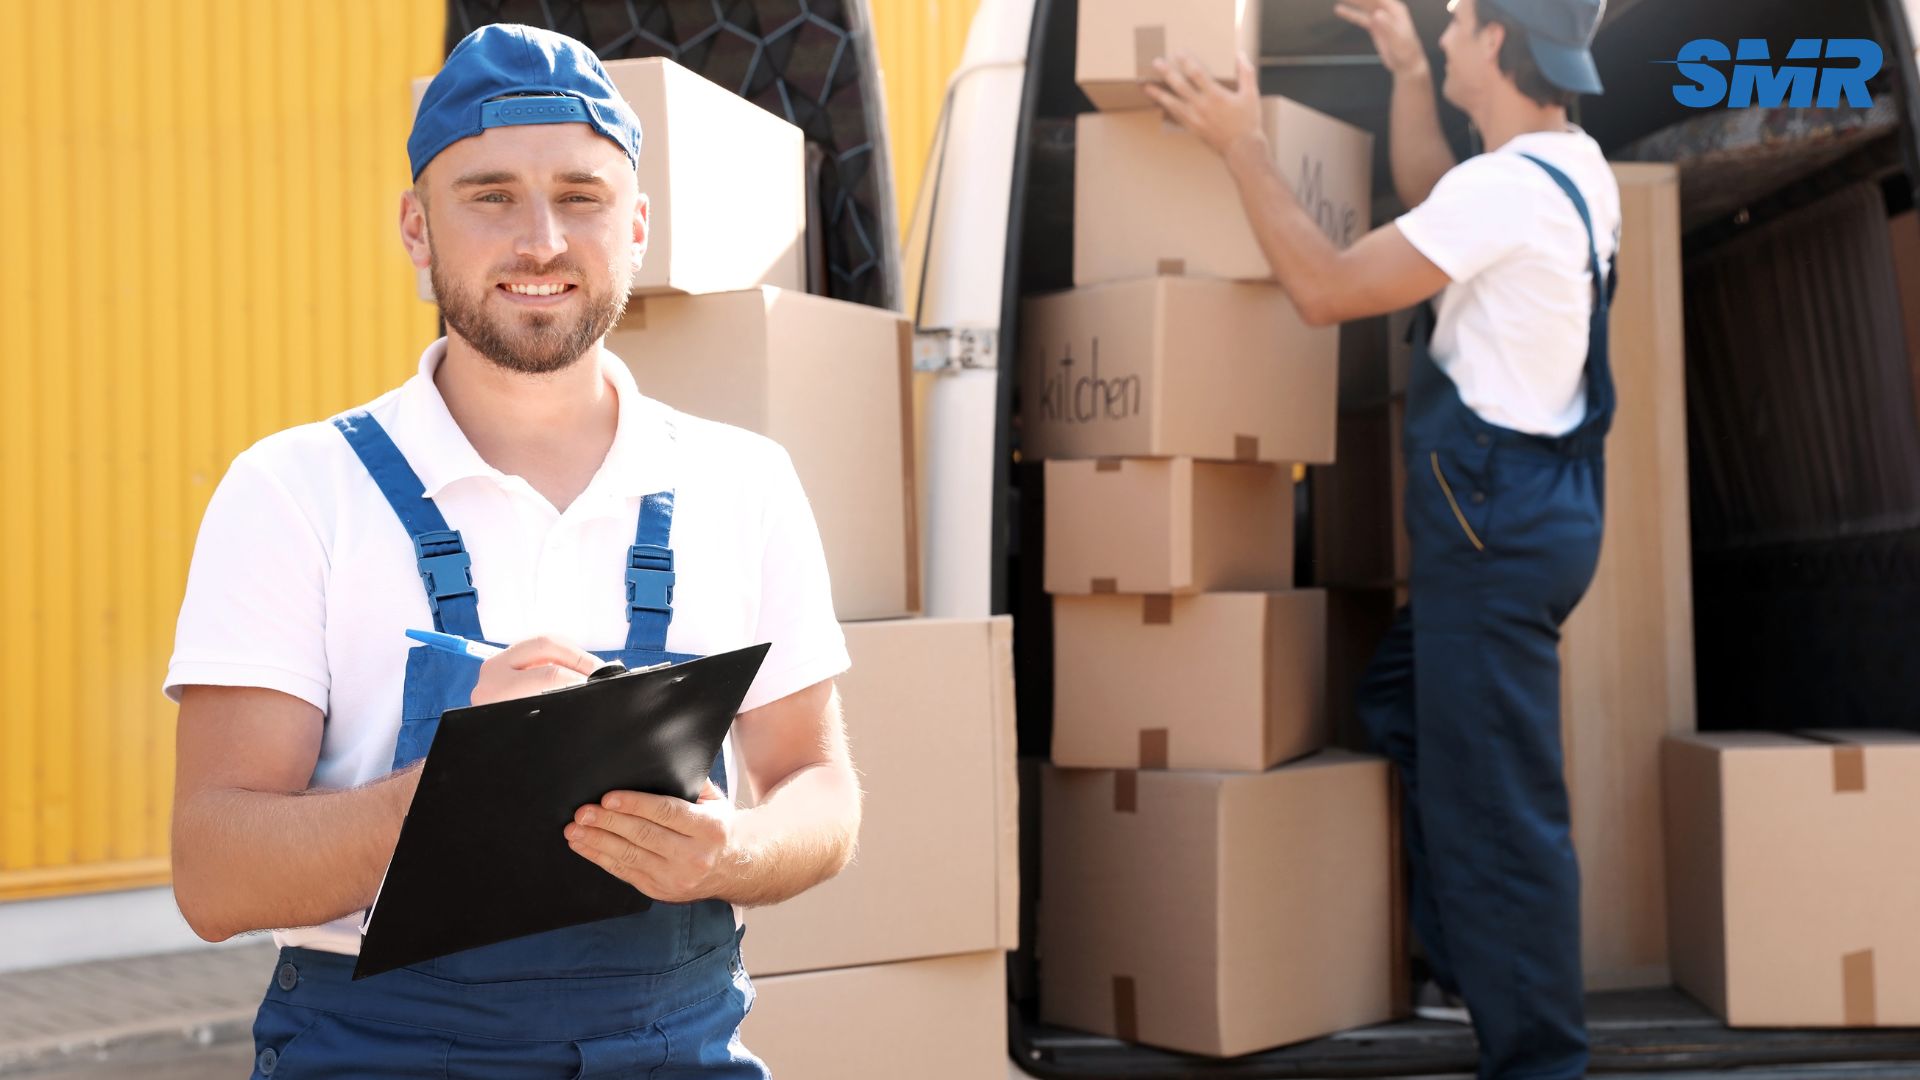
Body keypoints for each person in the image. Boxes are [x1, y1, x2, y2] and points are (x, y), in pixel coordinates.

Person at [165, 24, 860, 1077]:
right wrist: (462, 787)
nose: (540, 239)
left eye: (580, 196)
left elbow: (819, 786)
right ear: (416, 229)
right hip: (384, 1053)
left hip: (674, 1045)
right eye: (489, 195)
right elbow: (216, 877)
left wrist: (736, 852)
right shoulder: (294, 493)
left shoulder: (744, 481)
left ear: (635, 227)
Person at [1148, 1, 1617, 1076]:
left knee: (1503, 819)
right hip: (1540, 517)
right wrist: (1407, 72)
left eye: (1452, 23)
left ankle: (1539, 1059)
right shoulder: (1565, 164)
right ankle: (1467, 966)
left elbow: (1322, 290)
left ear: (1498, 40)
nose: (1444, 30)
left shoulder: (1506, 191)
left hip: (1492, 539)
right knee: (1402, 705)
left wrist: (1242, 146)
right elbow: (1435, 202)